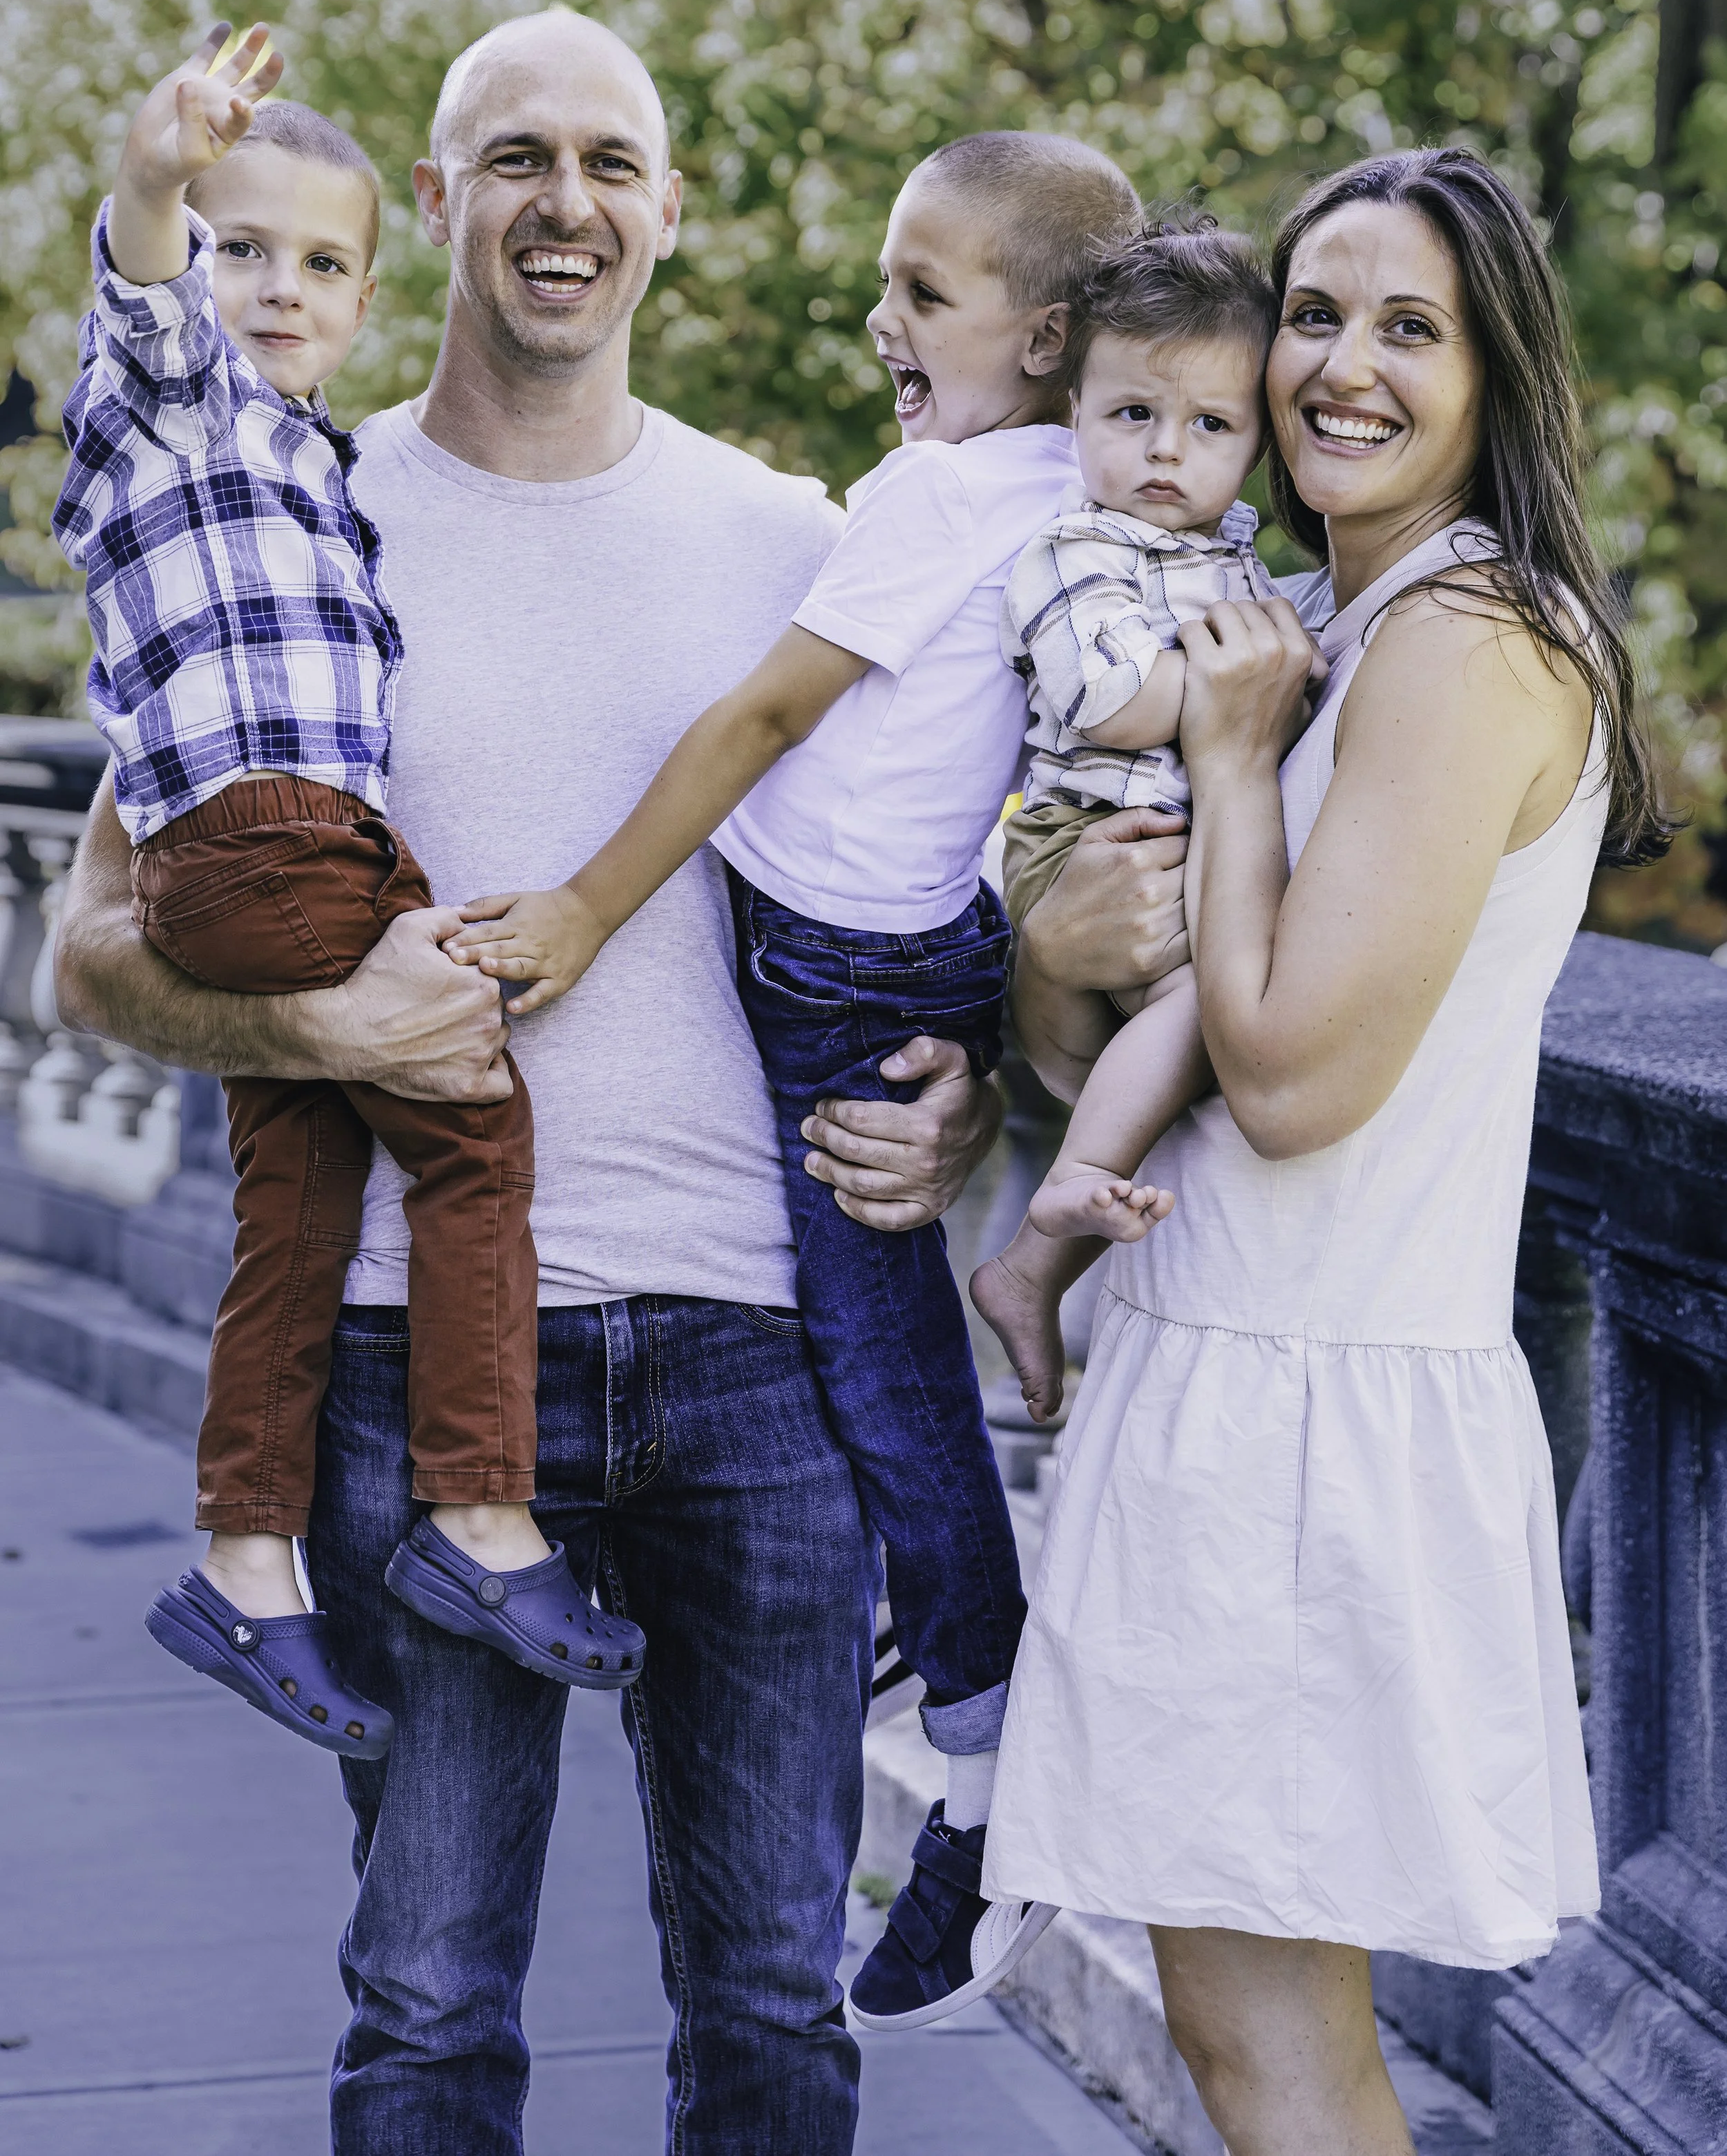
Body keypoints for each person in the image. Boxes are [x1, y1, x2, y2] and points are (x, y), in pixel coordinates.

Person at [54, 10, 1181, 2155]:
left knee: (772, 2006)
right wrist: (314, 1027)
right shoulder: (288, 491)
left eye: (610, 161)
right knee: (426, 2006)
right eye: (513, 158)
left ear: (667, 213)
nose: (565, 201)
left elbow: (946, 895)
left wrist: (958, 1097)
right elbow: (87, 948)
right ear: (435, 207)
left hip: (763, 1357)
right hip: (404, 1359)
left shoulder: (811, 535)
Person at [985, 146, 1668, 2156]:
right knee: (1240, 2033)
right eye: (1310, 310)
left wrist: (1215, 766)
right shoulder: (1302, 619)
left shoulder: (1466, 643)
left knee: (1277, 2053)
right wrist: (1050, 940)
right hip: (1219, 1367)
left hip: (1317, 1401)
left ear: (1492, 372)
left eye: (1407, 324)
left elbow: (1286, 1079)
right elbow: (1087, 1033)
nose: (1338, 364)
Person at [435, 126, 1143, 2029]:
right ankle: (950, 1661)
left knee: (883, 1354)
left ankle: (992, 1765)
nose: (878, 318)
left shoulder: (939, 502)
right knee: (870, 1353)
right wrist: (985, 1025)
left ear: (1053, 331)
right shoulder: (1068, 500)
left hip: (837, 974)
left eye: (923, 291)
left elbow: (759, 717)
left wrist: (586, 906)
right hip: (895, 952)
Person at [53, 24, 640, 1757]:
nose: (275, 289)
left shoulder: (324, 472)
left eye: (319, 264)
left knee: (292, 1221)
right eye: (242, 250)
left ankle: (246, 1564)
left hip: (292, 847)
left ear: (373, 296)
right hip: (261, 841)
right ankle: (478, 1518)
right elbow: (147, 296)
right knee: (471, 1116)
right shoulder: (174, 416)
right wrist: (160, 174)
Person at [974, 218, 1327, 1421]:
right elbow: (1110, 698)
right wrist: (1245, 687)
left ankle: (1046, 1254)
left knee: (1215, 1017)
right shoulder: (1078, 546)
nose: (1167, 453)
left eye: (1211, 426)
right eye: (1132, 416)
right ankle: (1047, 1226)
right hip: (1082, 834)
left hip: (1169, 846)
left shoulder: (1236, 554)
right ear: (1075, 409)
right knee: (1207, 1006)